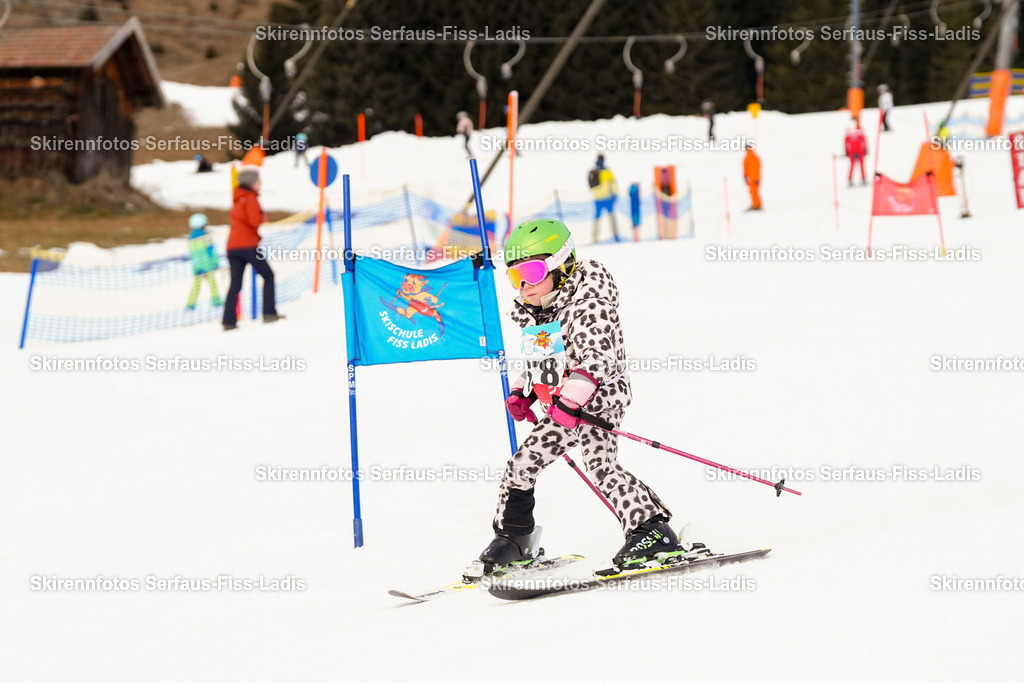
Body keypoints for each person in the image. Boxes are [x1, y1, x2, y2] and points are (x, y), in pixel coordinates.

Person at [478, 218, 696, 571]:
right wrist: (525, 389)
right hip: (563, 404)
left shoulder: (589, 303)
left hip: (600, 399)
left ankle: (653, 529)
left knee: (600, 466)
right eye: (515, 276)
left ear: (562, 264)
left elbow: (597, 358)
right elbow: (546, 360)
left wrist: (571, 399)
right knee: (521, 464)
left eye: (532, 272)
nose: (524, 286)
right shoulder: (542, 308)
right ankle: (515, 537)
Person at [221, 165, 283, 331]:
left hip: (232, 247)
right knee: (268, 275)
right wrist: (263, 216)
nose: (260, 183)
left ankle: (228, 321)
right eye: (258, 180)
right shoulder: (250, 198)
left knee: (235, 284)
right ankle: (269, 313)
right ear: (252, 182)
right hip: (248, 246)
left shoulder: (237, 198)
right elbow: (254, 221)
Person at [185, 213, 221, 310]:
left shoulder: (190, 239)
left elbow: (194, 255)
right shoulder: (206, 237)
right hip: (207, 266)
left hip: (196, 267)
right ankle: (216, 301)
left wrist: (197, 267)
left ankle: (190, 304)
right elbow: (211, 251)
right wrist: (216, 263)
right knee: (213, 284)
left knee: (196, 286)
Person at [587, 154, 620, 242]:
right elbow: (613, 184)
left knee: (599, 219)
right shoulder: (603, 171)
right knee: (609, 218)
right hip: (605, 198)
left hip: (600, 198)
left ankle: (596, 238)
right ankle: (613, 236)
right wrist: (615, 194)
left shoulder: (596, 171)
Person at [844, 119, 868, 186]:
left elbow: (864, 141)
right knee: (856, 165)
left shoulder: (852, 132)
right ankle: (852, 179)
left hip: (857, 151)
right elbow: (864, 141)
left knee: (859, 165)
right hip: (855, 151)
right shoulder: (855, 132)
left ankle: (860, 179)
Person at [742, 142, 762, 211]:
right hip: (755, 177)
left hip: (753, 177)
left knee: (753, 192)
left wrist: (745, 176)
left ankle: (756, 205)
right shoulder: (754, 156)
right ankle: (757, 204)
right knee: (754, 191)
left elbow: (751, 168)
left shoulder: (749, 156)